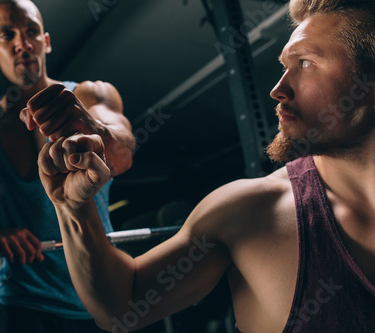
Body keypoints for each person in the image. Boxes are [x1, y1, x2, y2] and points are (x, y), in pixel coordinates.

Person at [36, 0, 375, 332]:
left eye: (304, 63)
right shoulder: (251, 211)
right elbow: (122, 305)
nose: (278, 89)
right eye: (283, 66)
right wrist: (74, 208)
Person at [0, 0, 135, 332]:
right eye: (7, 35)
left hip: (103, 297)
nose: (22, 44)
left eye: (31, 32)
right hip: (23, 308)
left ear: (46, 41)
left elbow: (123, 154)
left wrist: (94, 130)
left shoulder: (92, 97)